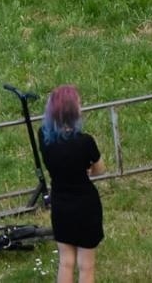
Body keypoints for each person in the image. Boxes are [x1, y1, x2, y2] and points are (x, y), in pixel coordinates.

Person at [39, 84, 104, 283]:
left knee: (65, 262)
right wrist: (88, 169)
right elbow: (100, 169)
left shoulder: (44, 137)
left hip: (61, 203)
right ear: (73, 111)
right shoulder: (85, 141)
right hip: (86, 205)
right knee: (86, 266)